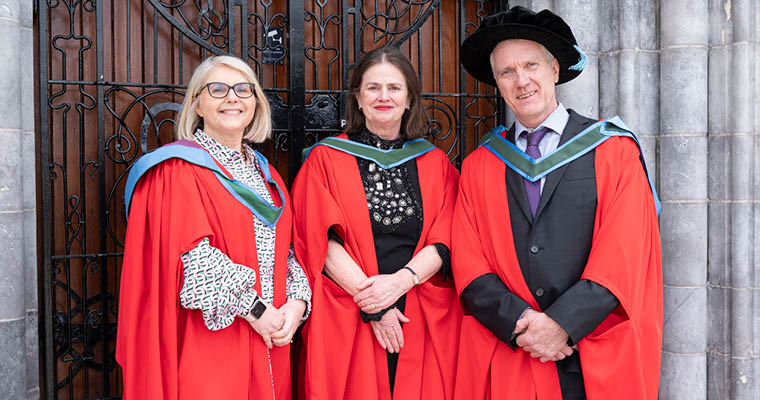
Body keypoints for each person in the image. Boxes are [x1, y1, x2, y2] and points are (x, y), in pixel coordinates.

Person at [452, 6, 663, 399]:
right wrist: (522, 323)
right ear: (497, 83)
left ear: (553, 69)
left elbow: (625, 252)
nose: (521, 81)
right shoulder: (480, 165)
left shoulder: (613, 150)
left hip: (590, 350)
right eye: (507, 71)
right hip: (514, 351)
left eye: (530, 65)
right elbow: (468, 262)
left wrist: (562, 324)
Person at [116, 55, 310, 400]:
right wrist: (256, 311)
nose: (232, 98)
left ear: (255, 103)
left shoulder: (267, 176)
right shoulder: (176, 170)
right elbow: (191, 260)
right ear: (197, 104)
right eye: (218, 89)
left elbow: (289, 252)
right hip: (214, 342)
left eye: (243, 90)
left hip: (273, 339)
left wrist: (296, 305)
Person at [292, 47, 461, 400]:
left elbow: (448, 238)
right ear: (358, 97)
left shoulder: (435, 163)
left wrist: (399, 283)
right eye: (373, 88)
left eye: (394, 88)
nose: (384, 96)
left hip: (418, 310)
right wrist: (377, 304)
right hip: (351, 309)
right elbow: (319, 240)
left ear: (409, 99)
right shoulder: (325, 159)